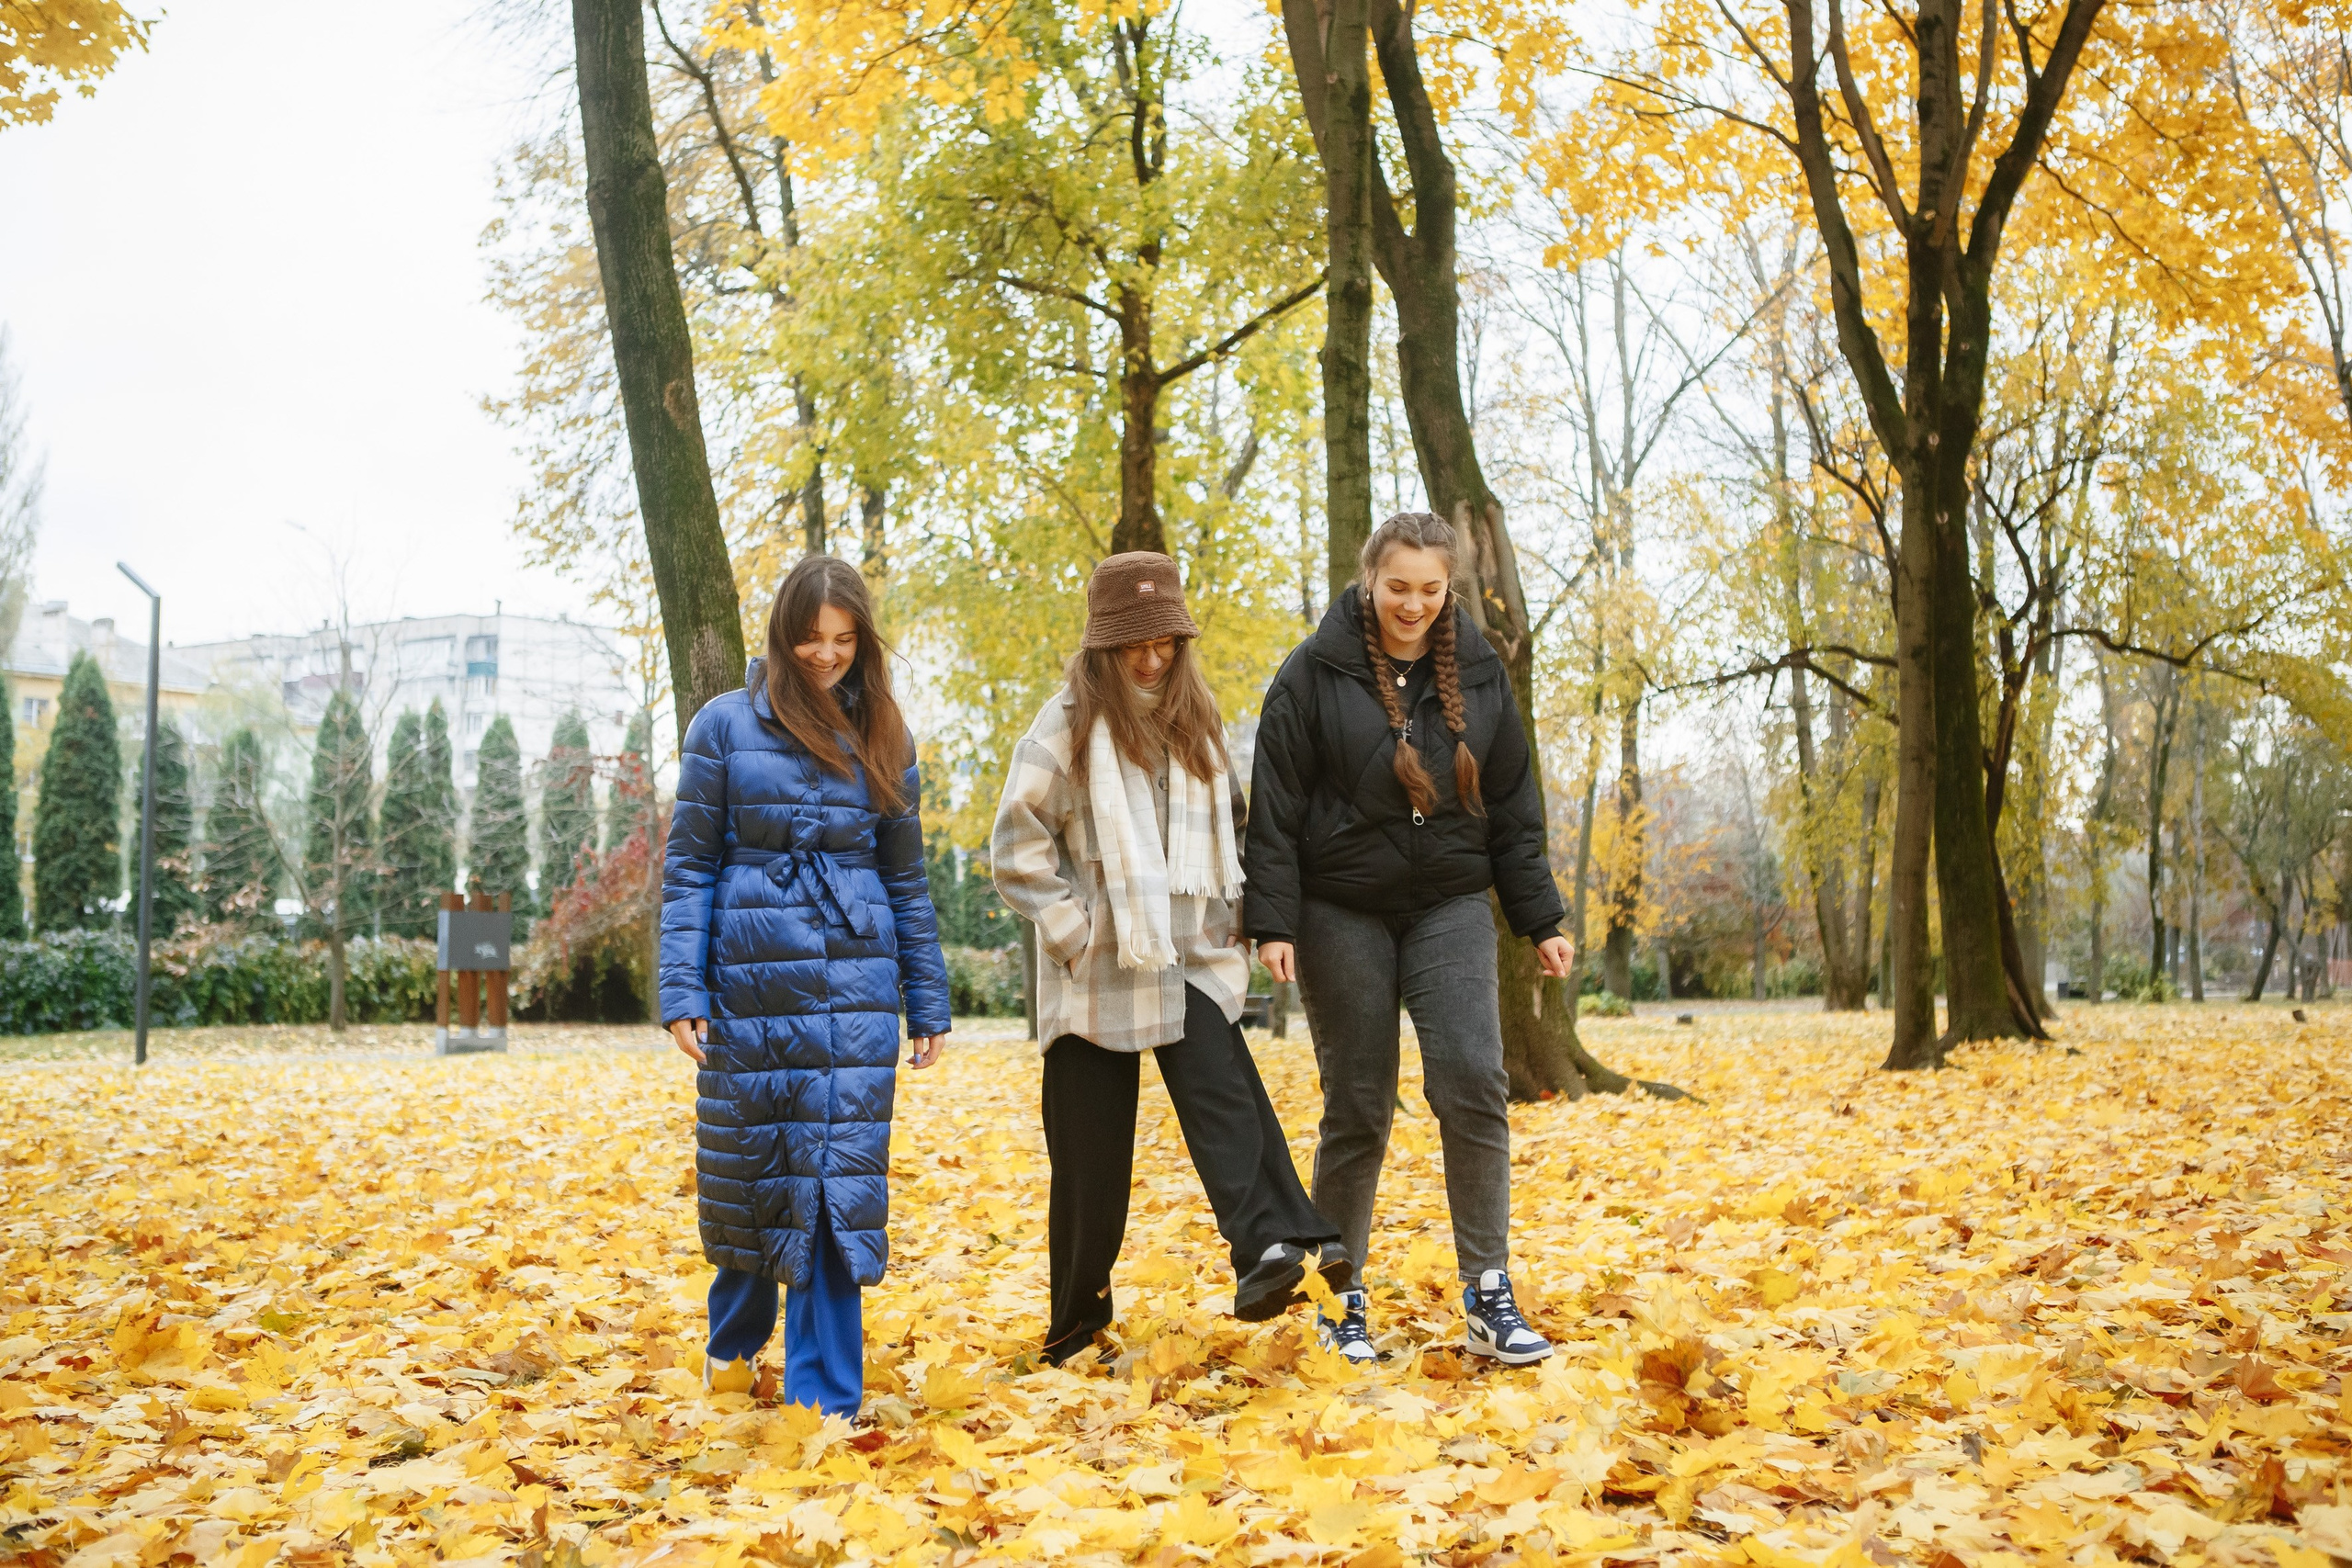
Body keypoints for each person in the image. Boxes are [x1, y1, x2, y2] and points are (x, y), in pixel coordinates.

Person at [992, 551, 1349, 1365]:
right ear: (1101, 647)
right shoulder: (1065, 726)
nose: (1151, 658)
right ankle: (1076, 1328)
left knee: (1225, 1088)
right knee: (1091, 1159)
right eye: (1133, 644)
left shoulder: (1197, 718)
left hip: (1183, 954)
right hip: (1097, 972)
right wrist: (1075, 930)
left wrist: (1231, 923)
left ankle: (1273, 1245)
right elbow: (1017, 846)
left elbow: (1230, 821)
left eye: (1164, 642)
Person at [1244, 512, 1575, 1366]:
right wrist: (1272, 920)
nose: (1414, 606)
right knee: (1357, 1100)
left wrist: (1539, 916)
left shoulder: (1479, 671)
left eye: (1431, 590)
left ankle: (1489, 1293)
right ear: (1368, 579)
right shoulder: (1313, 672)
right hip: (1340, 908)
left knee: (1472, 1078)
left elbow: (1513, 803)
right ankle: (1338, 1296)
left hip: (1449, 903)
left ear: (1448, 588)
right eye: (1399, 588)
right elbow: (1274, 806)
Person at [659, 555, 952, 1415]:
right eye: (811, 638)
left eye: (844, 640)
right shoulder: (721, 726)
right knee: (755, 1180)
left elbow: (906, 878)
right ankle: (733, 1346)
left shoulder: (887, 736)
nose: (826, 655)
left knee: (835, 1188)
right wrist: (683, 989)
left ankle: (827, 1402)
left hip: (857, 989)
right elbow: (690, 867)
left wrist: (927, 998)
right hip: (750, 985)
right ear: (783, 635)